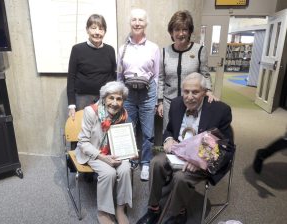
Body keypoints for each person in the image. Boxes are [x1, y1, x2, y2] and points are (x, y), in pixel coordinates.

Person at [137, 72, 235, 224]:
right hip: (177, 152)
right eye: (186, 91)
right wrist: (169, 139)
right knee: (155, 162)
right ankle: (153, 209)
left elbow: (227, 147)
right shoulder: (176, 104)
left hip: (201, 158)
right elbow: (169, 130)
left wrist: (201, 159)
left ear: (204, 92)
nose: (189, 96)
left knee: (180, 177)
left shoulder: (220, 110)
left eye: (195, 92)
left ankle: (178, 213)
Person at [75, 81, 131, 224]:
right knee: (109, 173)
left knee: (125, 168)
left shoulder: (123, 114)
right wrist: (103, 158)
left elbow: (123, 137)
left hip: (113, 151)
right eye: (111, 98)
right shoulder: (90, 112)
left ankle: (120, 208)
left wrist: (130, 150)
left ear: (123, 101)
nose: (114, 102)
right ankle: (104, 212)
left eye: (119, 99)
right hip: (92, 151)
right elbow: (83, 142)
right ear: (104, 98)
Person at [117, 8, 160, 181]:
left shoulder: (153, 48)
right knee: (128, 129)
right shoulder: (122, 49)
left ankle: (146, 163)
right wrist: (120, 96)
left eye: (140, 20)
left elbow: (157, 76)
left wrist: (156, 99)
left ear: (145, 23)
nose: (137, 23)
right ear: (130, 23)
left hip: (148, 94)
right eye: (134, 20)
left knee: (148, 132)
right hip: (128, 94)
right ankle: (132, 160)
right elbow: (119, 75)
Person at [157, 10, 218, 131]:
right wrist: (160, 102)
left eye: (184, 29)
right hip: (170, 102)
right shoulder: (164, 52)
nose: (180, 34)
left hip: (192, 101)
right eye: (177, 30)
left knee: (190, 134)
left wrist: (209, 91)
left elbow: (205, 74)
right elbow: (161, 78)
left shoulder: (199, 50)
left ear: (189, 31)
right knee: (170, 133)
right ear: (171, 32)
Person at [67, 14, 116, 120]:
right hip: (83, 99)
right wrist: (71, 104)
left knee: (103, 129)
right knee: (84, 131)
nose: (97, 32)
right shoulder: (77, 49)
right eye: (93, 28)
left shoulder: (110, 50)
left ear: (104, 32)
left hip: (104, 99)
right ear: (87, 30)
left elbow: (114, 76)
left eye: (101, 29)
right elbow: (71, 77)